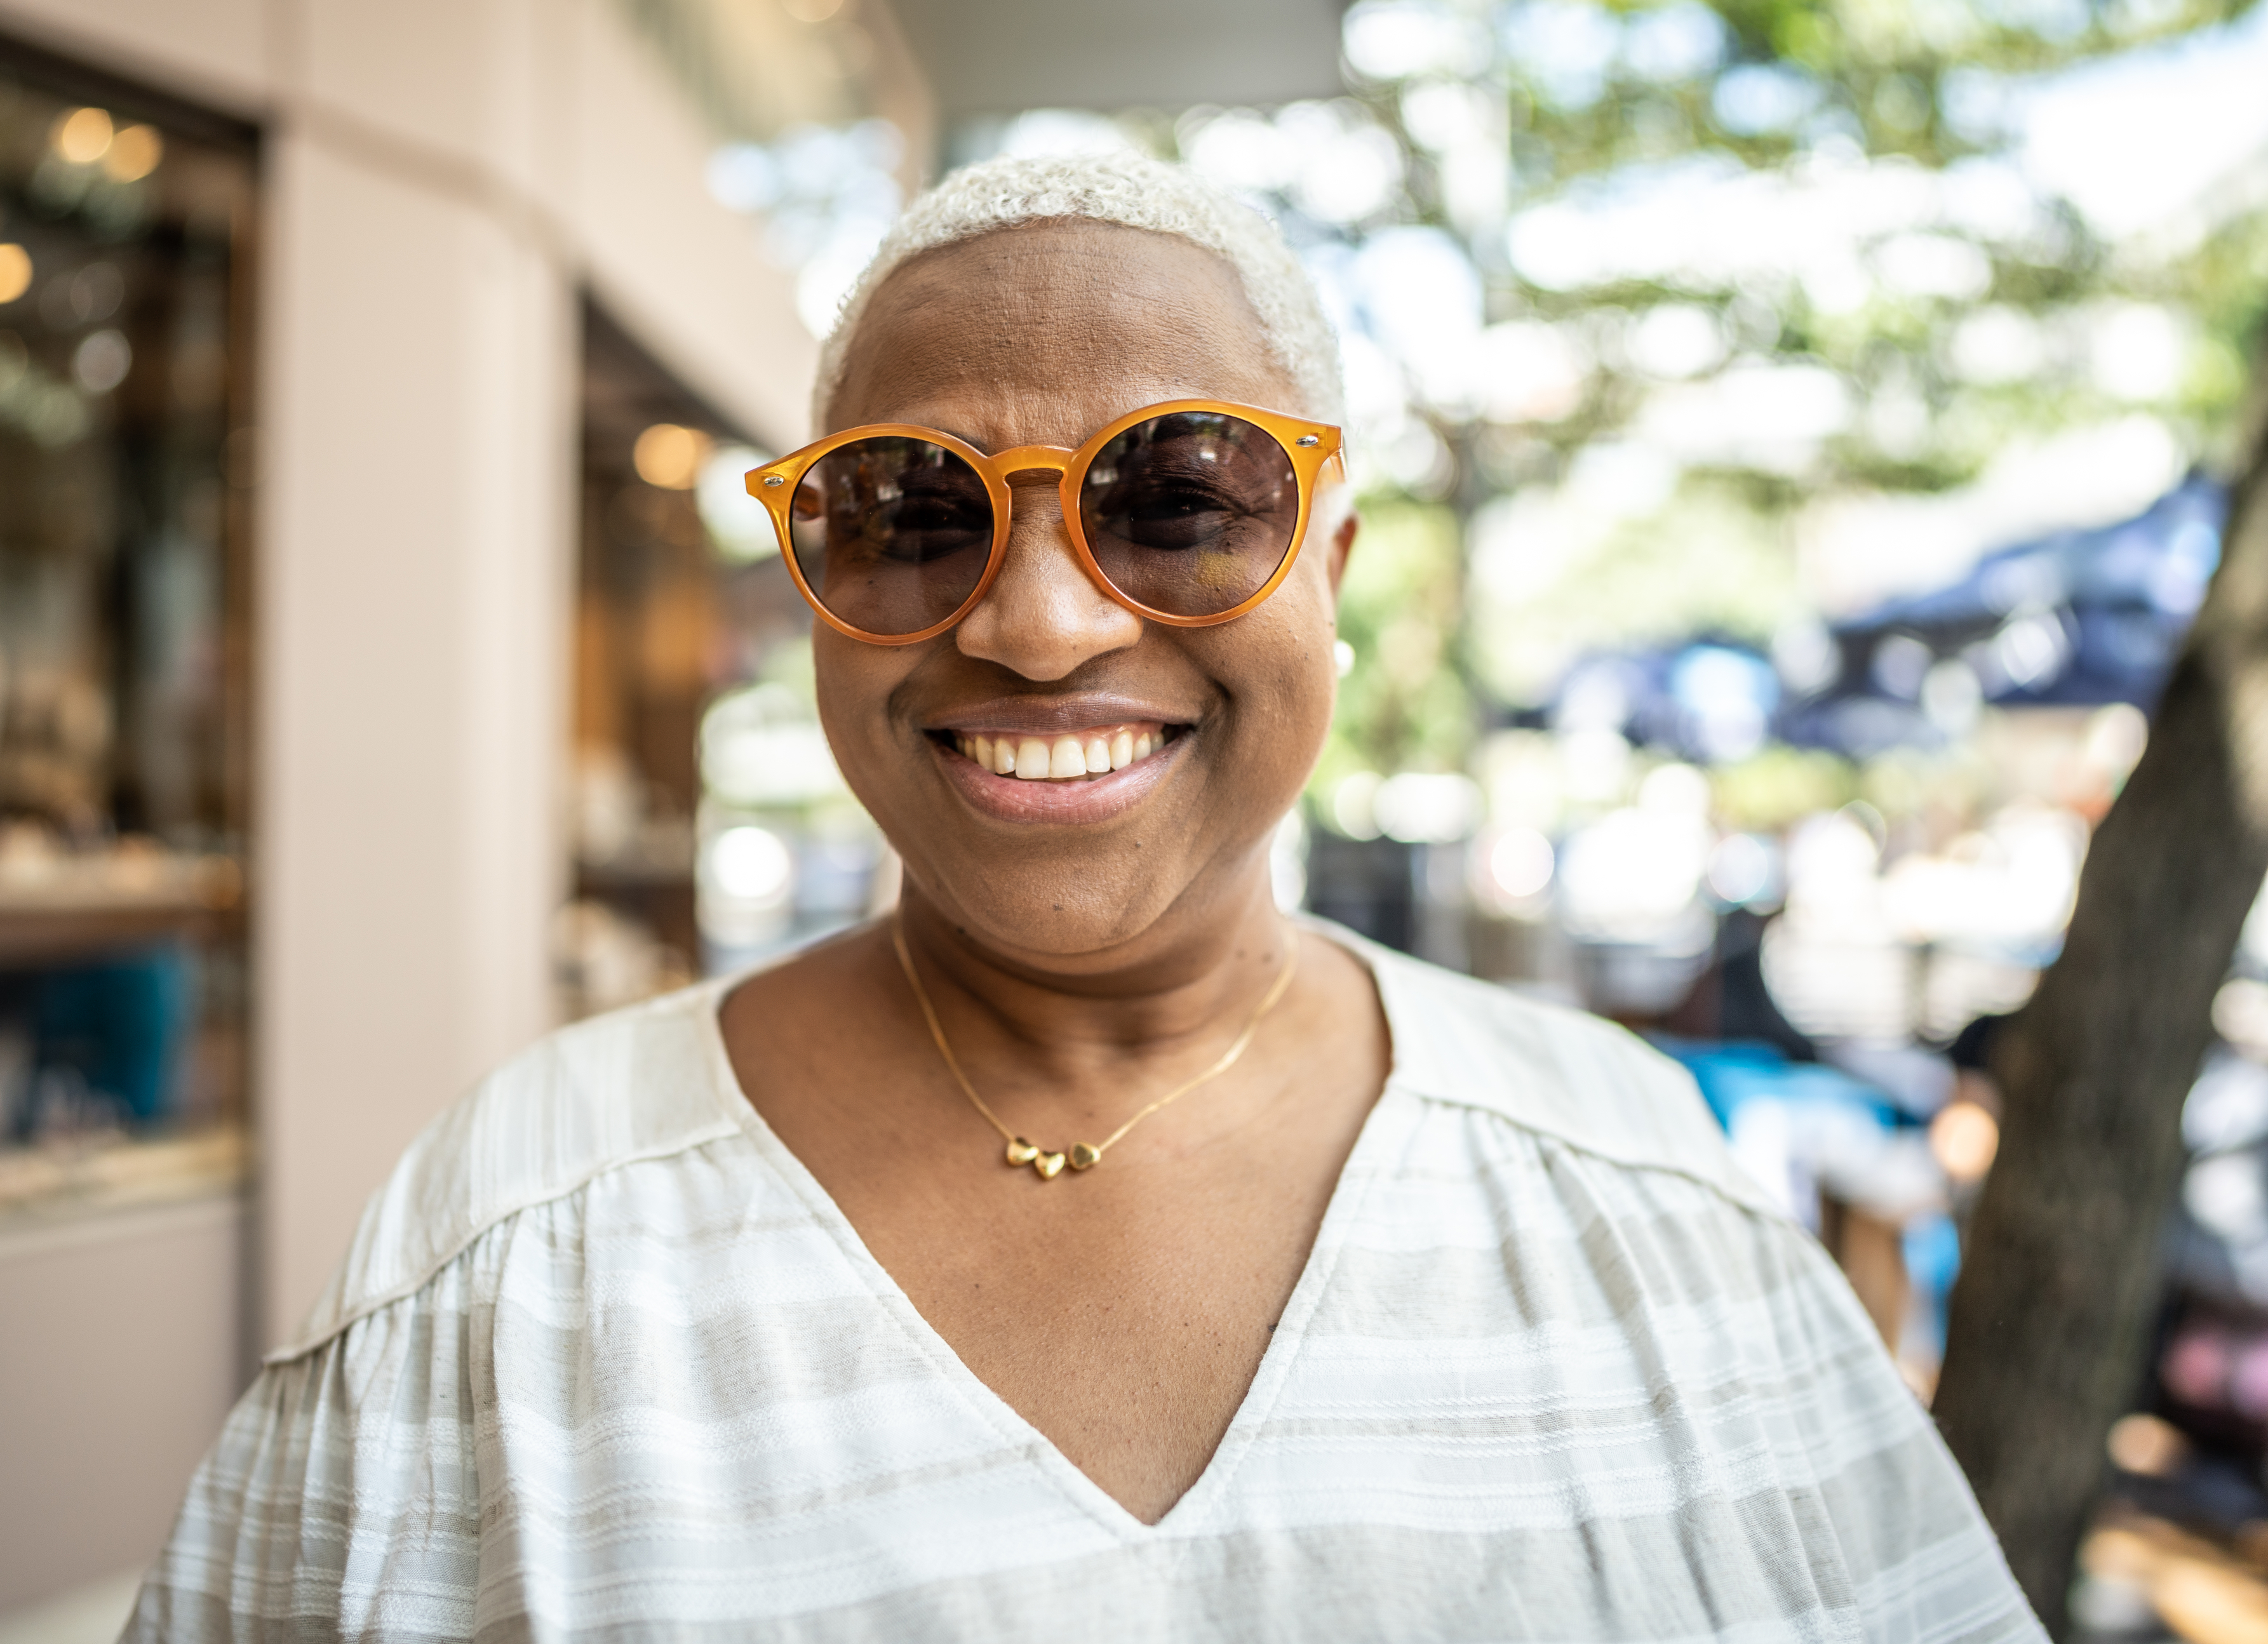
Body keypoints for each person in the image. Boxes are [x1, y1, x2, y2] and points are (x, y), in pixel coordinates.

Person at [125, 155, 2040, 1641]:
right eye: (910, 511)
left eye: (1180, 503)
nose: (1039, 622)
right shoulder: (510, 1245)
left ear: (1335, 567)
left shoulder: (1644, 1203)